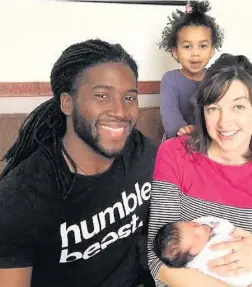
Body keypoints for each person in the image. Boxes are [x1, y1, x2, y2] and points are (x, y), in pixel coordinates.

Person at [0, 39, 157, 287]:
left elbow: (170, 219)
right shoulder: (19, 197)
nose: (120, 111)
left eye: (129, 97)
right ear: (67, 103)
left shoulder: (141, 151)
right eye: (102, 96)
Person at [147, 53, 252, 287]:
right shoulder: (174, 155)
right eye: (213, 108)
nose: (224, 122)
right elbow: (158, 260)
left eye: (238, 106)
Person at [154, 216, 252, 287]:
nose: (198, 227)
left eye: (191, 224)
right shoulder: (197, 263)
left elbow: (229, 229)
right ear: (191, 256)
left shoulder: (207, 225)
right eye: (196, 237)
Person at [158, 0, 224, 139]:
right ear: (175, 52)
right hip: (178, 138)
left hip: (208, 139)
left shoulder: (216, 78)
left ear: (212, 50)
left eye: (203, 46)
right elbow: (169, 111)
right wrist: (180, 128)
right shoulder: (170, 79)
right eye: (187, 46)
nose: (195, 53)